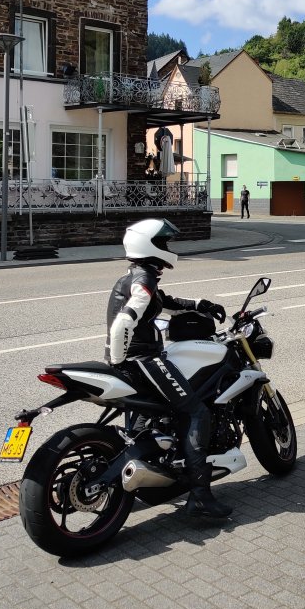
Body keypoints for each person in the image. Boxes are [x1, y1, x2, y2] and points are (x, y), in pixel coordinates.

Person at [105, 218, 232, 520]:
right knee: (196, 412)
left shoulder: (137, 274)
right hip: (143, 359)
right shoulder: (144, 278)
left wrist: (200, 304)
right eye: (162, 242)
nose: (167, 247)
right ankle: (200, 496)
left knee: (152, 414)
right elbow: (124, 321)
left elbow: (164, 302)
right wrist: (121, 361)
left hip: (135, 360)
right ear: (149, 245)